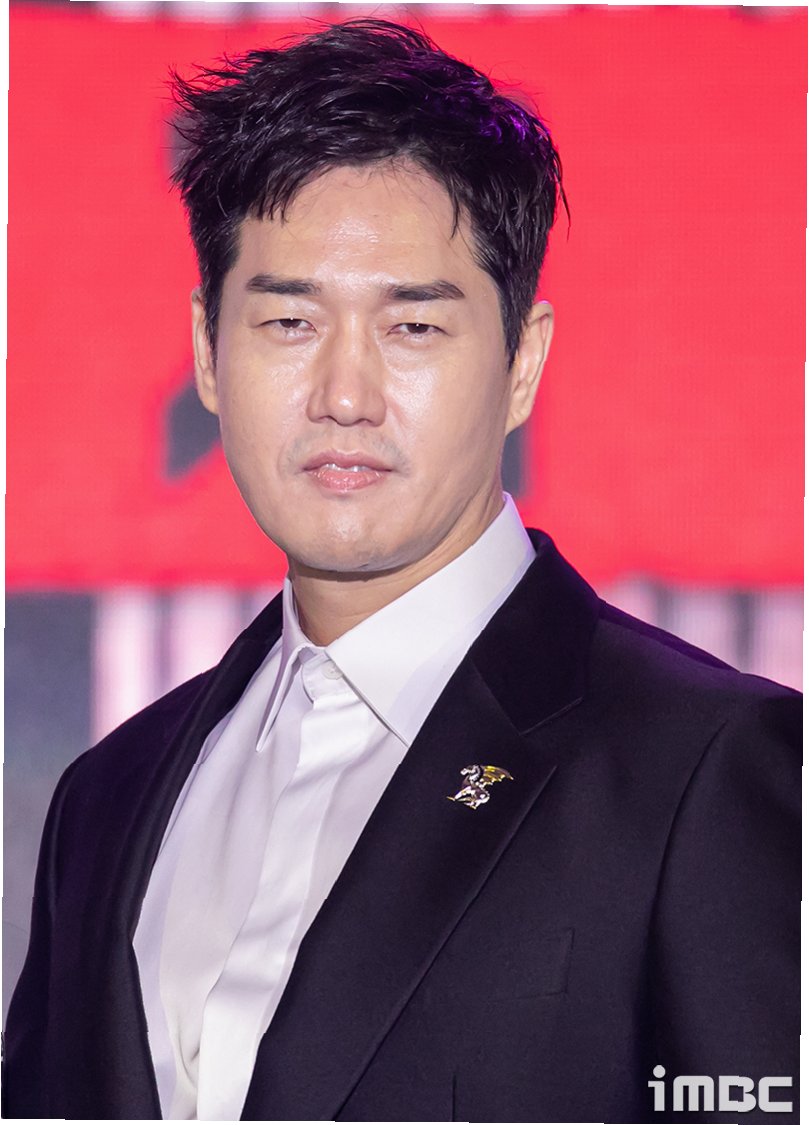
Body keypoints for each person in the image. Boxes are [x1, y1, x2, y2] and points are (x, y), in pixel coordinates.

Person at [3, 18, 799, 1123]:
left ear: (521, 363)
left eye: (413, 327)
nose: (345, 394)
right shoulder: (109, 796)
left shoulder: (703, 767)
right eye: (289, 320)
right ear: (206, 352)